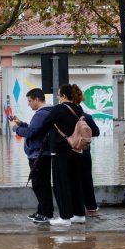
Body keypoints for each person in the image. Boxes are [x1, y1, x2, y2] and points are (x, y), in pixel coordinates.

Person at [29, 84, 88, 225]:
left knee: (61, 184)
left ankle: (65, 217)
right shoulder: (78, 109)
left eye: (59, 94)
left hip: (61, 151)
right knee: (75, 183)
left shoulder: (59, 109)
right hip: (77, 150)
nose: (57, 96)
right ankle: (79, 214)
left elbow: (45, 123)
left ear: (63, 96)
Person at [11, 88, 54, 223]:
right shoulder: (47, 112)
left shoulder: (41, 114)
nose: (28, 104)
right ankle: (42, 211)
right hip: (42, 154)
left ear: (37, 99)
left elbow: (30, 133)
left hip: (39, 155)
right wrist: (21, 123)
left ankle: (46, 213)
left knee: (39, 184)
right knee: (41, 184)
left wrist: (15, 128)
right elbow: (34, 129)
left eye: (30, 101)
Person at [72, 85, 101, 214]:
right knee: (87, 180)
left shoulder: (66, 116)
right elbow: (96, 132)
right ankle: (91, 206)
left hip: (71, 152)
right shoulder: (86, 117)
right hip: (85, 152)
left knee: (72, 181)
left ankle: (75, 208)